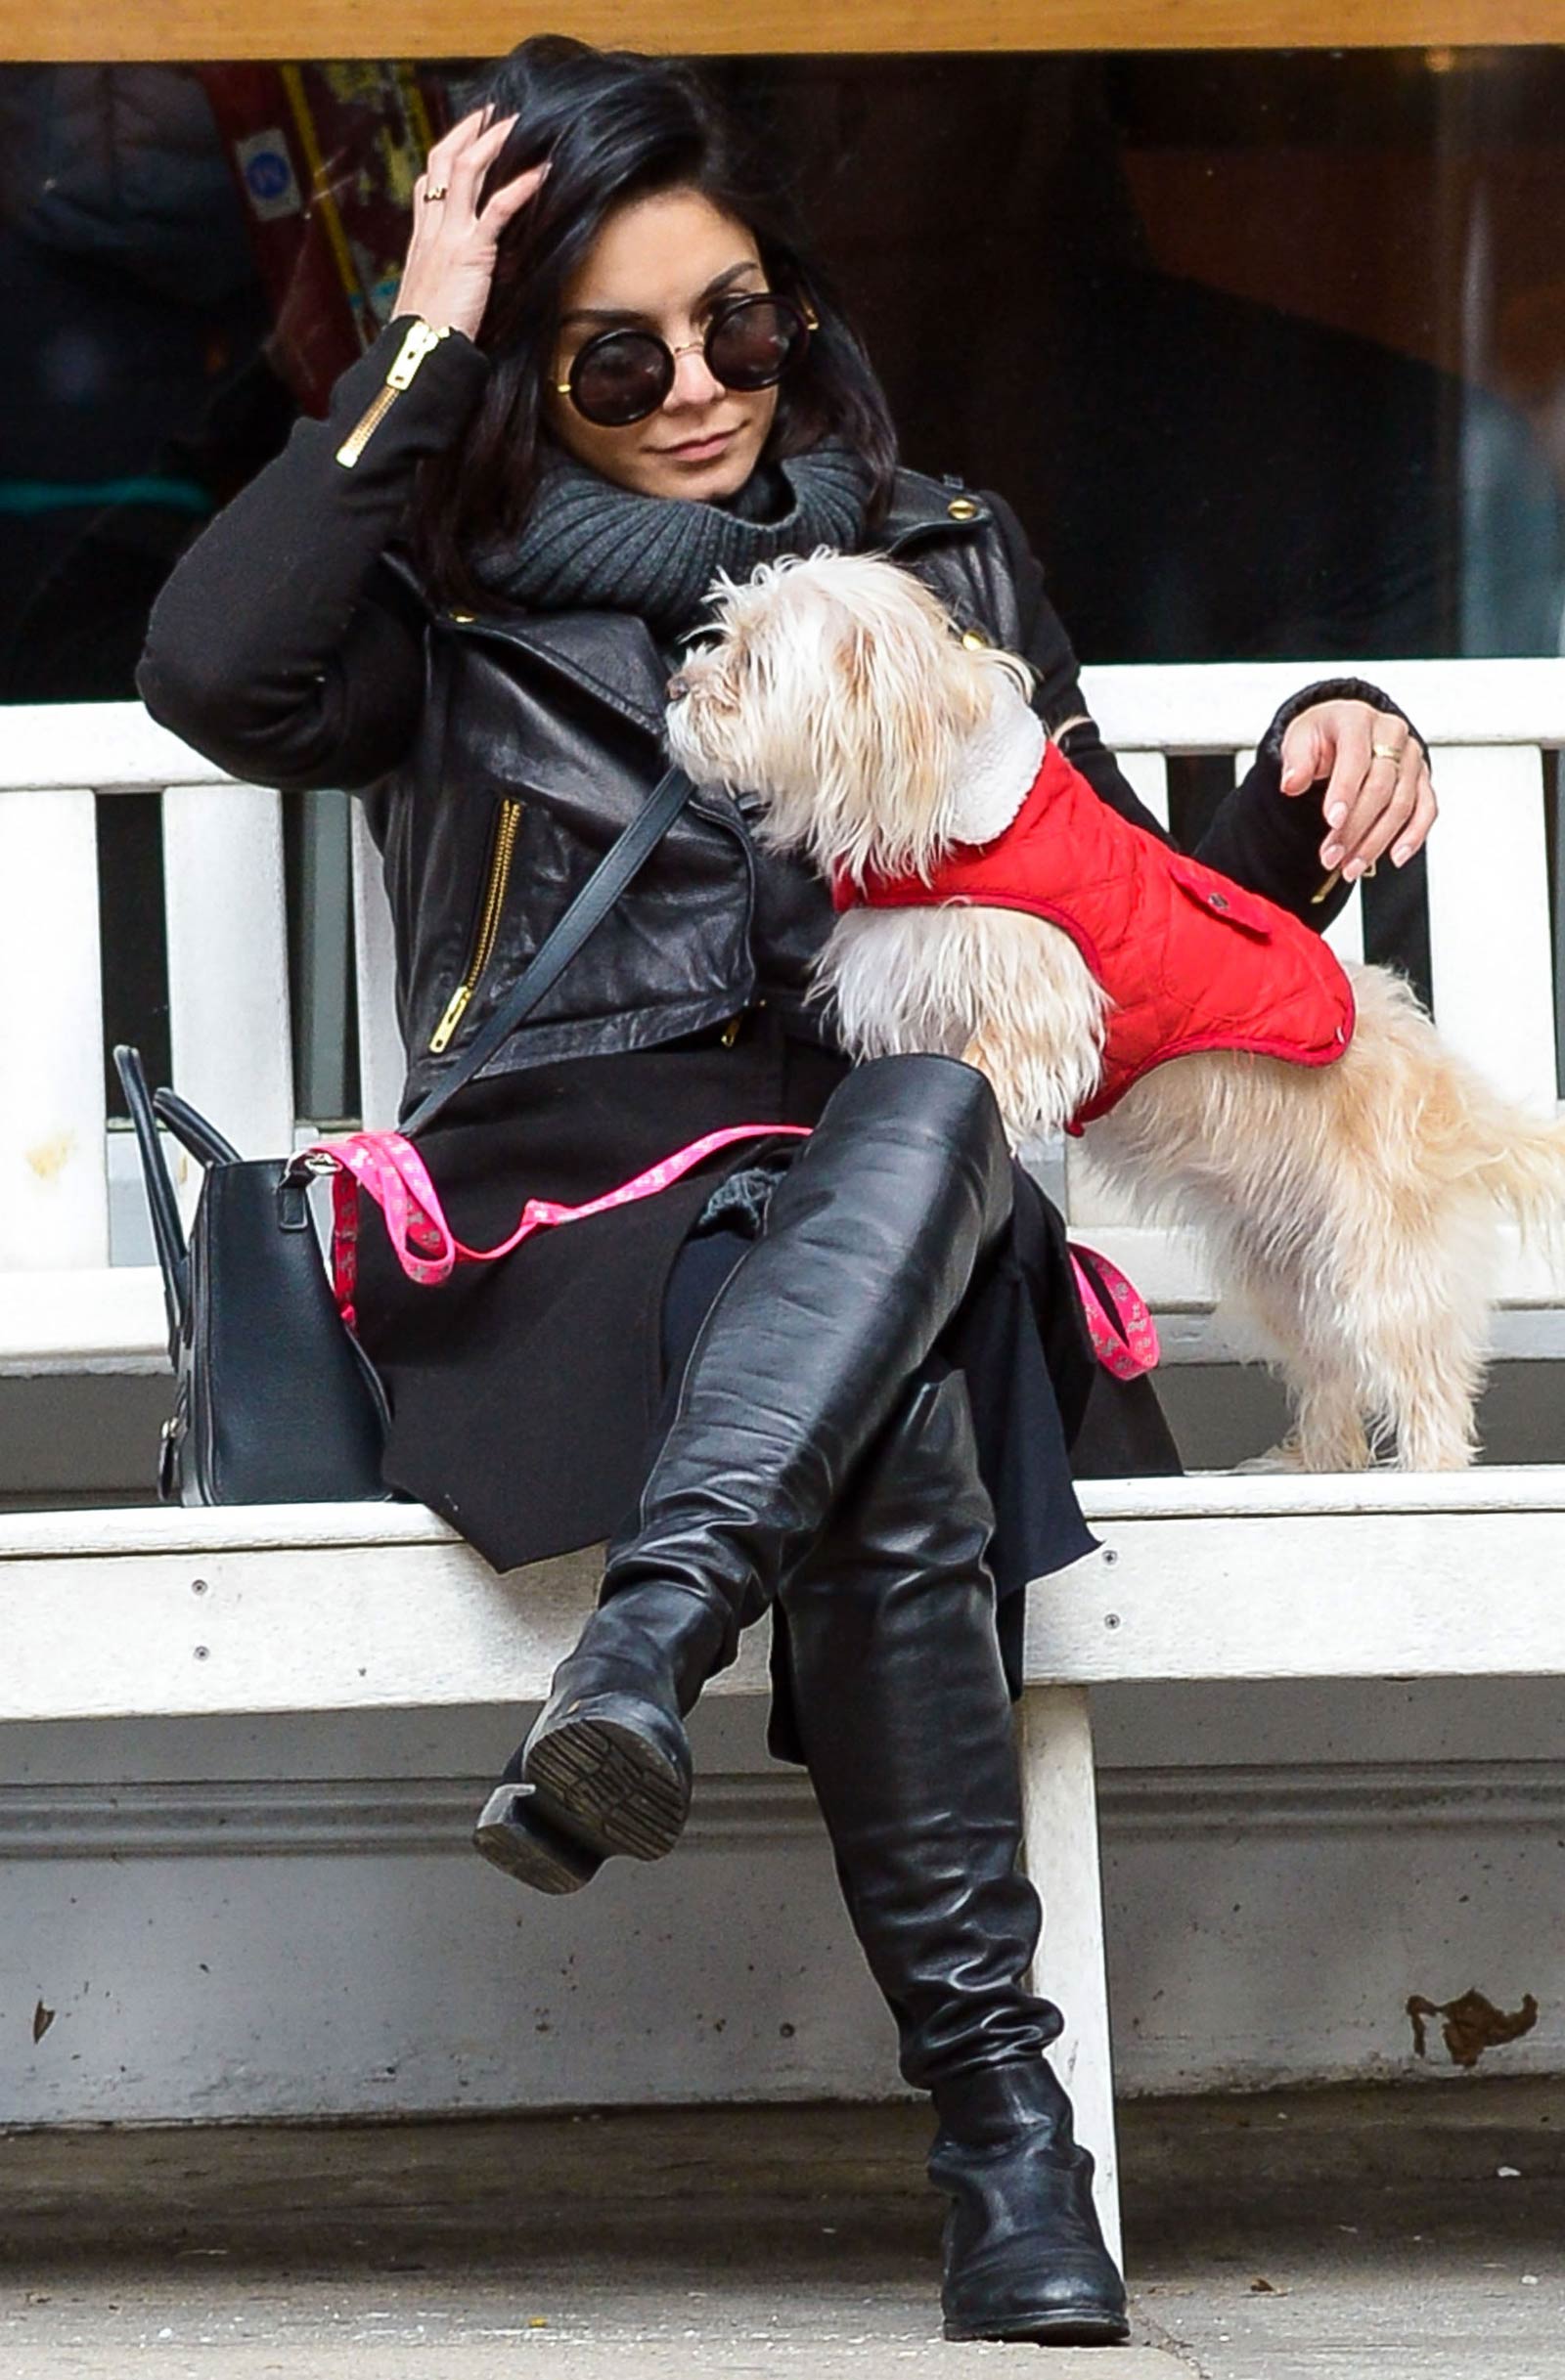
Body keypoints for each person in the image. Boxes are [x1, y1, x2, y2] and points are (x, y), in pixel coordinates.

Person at [136, 36, 1438, 2346]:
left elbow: (1105, 917)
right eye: (612, 358)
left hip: (890, 1202)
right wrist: (416, 350)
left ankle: (647, 1653)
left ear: (796, 307)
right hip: (571, 1239)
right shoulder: (429, 591)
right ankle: (1005, 2152)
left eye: (739, 328)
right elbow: (210, 667)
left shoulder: (939, 556)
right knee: (898, 1352)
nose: (699, 395)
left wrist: (1317, 771)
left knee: (924, 1118)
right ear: (531, 369)